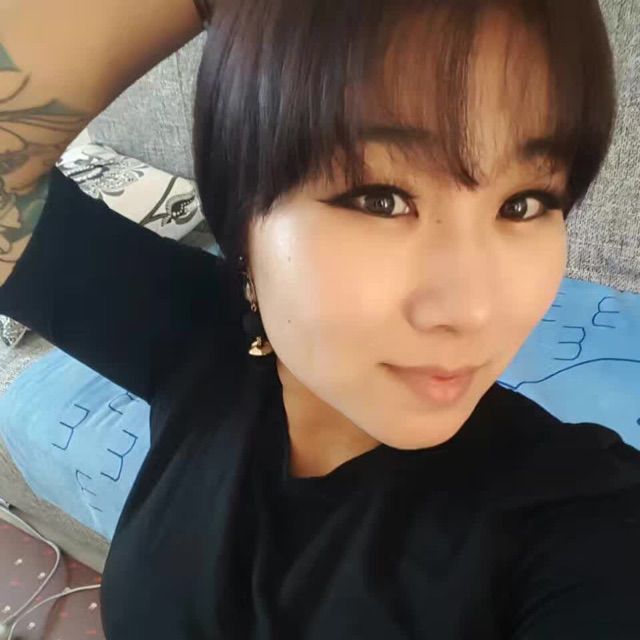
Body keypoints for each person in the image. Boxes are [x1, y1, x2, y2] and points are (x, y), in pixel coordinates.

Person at [1, 0, 639, 638]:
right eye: (381, 200)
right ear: (243, 228)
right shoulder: (203, 339)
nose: (473, 311)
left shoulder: (583, 521)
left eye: (524, 203)